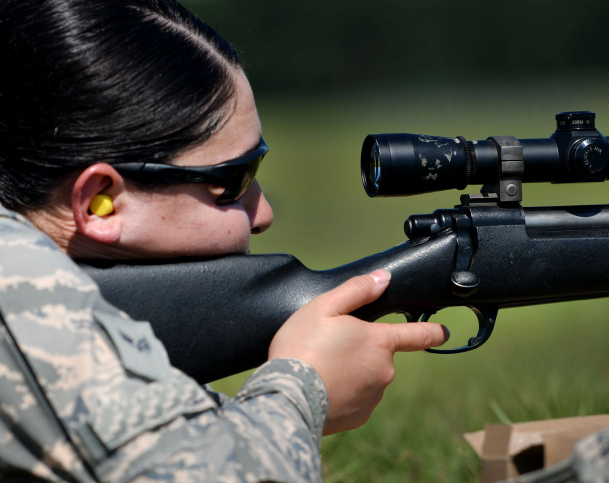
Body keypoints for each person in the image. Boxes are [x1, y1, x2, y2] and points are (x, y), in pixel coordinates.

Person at [0, 0, 448, 481]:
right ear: (99, 202)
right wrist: (302, 389)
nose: (265, 214)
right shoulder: (20, 288)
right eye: (234, 180)